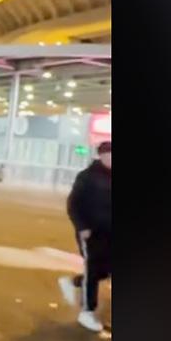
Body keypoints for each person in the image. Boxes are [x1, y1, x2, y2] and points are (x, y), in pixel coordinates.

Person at [59, 141, 111, 331]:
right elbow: (73, 204)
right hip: (91, 232)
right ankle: (87, 312)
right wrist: (82, 227)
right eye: (109, 155)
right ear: (102, 155)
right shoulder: (87, 177)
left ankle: (73, 282)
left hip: (110, 232)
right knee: (93, 267)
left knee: (105, 271)